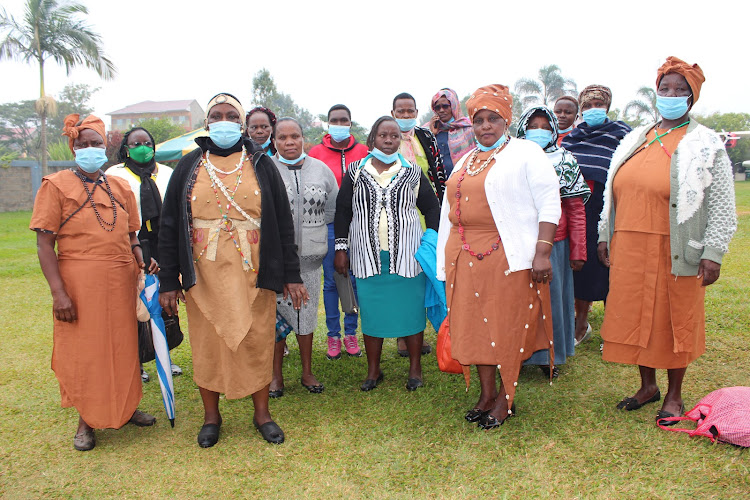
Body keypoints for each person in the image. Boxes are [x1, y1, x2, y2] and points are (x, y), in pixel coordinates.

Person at [158, 93, 307, 447]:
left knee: (257, 339)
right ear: (207, 122)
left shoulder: (261, 162)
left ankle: (262, 415)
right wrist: (168, 280)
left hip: (254, 270)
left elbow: (283, 224)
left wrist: (290, 274)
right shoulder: (189, 164)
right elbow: (168, 226)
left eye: (230, 115)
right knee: (208, 343)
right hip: (203, 273)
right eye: (216, 115)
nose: (223, 120)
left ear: (240, 124)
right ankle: (212, 418)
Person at [597, 57, 736, 425]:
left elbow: (722, 203)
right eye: (665, 88)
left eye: (680, 90)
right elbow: (613, 192)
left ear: (692, 98)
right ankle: (647, 386)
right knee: (636, 319)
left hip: (674, 250)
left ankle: (673, 395)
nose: (671, 95)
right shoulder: (635, 136)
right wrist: (603, 233)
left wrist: (714, 252)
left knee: (674, 321)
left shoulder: (705, 143)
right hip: (629, 246)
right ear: (656, 92)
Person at [437, 85, 561, 429]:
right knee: (473, 327)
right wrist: (443, 261)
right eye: (479, 120)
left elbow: (550, 202)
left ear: (506, 120)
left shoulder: (525, 153)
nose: (486, 126)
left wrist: (542, 252)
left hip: (506, 255)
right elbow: (448, 210)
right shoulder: (466, 160)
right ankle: (486, 394)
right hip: (464, 254)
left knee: (502, 326)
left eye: (493, 119)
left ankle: (506, 399)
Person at [30, 114, 156, 451]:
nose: (90, 149)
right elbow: (44, 244)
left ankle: (126, 408)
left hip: (121, 280)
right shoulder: (54, 185)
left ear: (106, 147)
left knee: (124, 346)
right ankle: (86, 420)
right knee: (88, 351)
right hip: (79, 284)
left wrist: (140, 256)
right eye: (83, 144)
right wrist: (59, 293)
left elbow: (132, 235)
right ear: (74, 147)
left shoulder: (119, 186)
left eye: (96, 143)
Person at [334, 116, 440, 391]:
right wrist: (341, 248)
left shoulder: (413, 173)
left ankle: (415, 369)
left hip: (406, 256)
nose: (390, 140)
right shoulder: (356, 171)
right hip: (368, 255)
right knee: (372, 314)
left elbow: (432, 208)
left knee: (412, 313)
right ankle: (373, 371)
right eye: (384, 135)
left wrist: (430, 241)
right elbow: (343, 211)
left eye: (394, 136)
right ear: (372, 140)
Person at [516, 106, 590, 376]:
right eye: (533, 125)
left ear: (554, 130)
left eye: (545, 126)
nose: (539, 131)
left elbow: (575, 208)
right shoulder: (511, 159)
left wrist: (578, 250)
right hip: (518, 242)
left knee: (552, 303)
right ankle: (520, 355)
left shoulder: (565, 159)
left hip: (554, 245)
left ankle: (552, 358)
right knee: (521, 303)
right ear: (523, 128)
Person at [270, 117, 338, 398]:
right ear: (274, 141)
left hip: (310, 260)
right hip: (275, 263)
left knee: (306, 316)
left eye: (294, 136)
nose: (289, 142)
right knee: (274, 322)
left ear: (303, 138)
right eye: (282, 137)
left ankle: (307, 371)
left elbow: (331, 211)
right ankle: (275, 376)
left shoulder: (321, 170)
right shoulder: (265, 170)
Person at [107, 127, 182, 380]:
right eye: (135, 143)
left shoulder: (168, 173)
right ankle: (135, 363)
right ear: (126, 148)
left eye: (147, 142)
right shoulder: (114, 175)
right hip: (131, 242)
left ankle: (165, 356)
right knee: (135, 304)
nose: (142, 147)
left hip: (163, 244)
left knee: (165, 301)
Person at [561, 85, 631, 345]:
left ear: (608, 106)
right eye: (588, 106)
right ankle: (581, 323)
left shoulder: (622, 134)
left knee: (611, 265)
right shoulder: (572, 136)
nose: (593, 110)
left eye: (598, 105)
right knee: (582, 266)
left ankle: (614, 330)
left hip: (609, 207)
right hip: (579, 208)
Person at [309, 104, 368, 360]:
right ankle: (333, 336)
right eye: (335, 120)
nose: (339, 124)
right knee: (333, 279)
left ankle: (351, 333)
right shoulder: (316, 153)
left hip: (360, 225)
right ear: (328, 123)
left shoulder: (365, 151)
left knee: (354, 279)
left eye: (344, 120)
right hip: (329, 225)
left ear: (351, 124)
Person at [391, 91, 446, 356]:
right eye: (400, 112)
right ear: (392, 114)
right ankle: (405, 334)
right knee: (405, 273)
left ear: (416, 113)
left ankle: (424, 330)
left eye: (410, 111)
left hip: (428, 213)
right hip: (398, 216)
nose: (405, 116)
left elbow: (438, 173)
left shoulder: (426, 137)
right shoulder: (386, 137)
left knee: (427, 272)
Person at [429, 88, 475, 177]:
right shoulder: (429, 130)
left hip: (464, 180)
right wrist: (431, 135)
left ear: (453, 106)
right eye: (437, 107)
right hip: (439, 185)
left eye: (445, 106)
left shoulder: (468, 128)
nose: (441, 110)